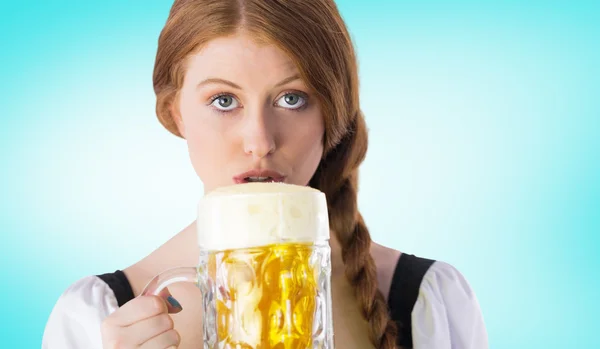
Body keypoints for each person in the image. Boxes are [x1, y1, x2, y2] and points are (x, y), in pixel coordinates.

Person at [42, 0, 488, 348]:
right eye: (223, 100)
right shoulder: (95, 318)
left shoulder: (425, 300)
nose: (260, 140)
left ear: (333, 116)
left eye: (292, 99)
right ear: (175, 113)